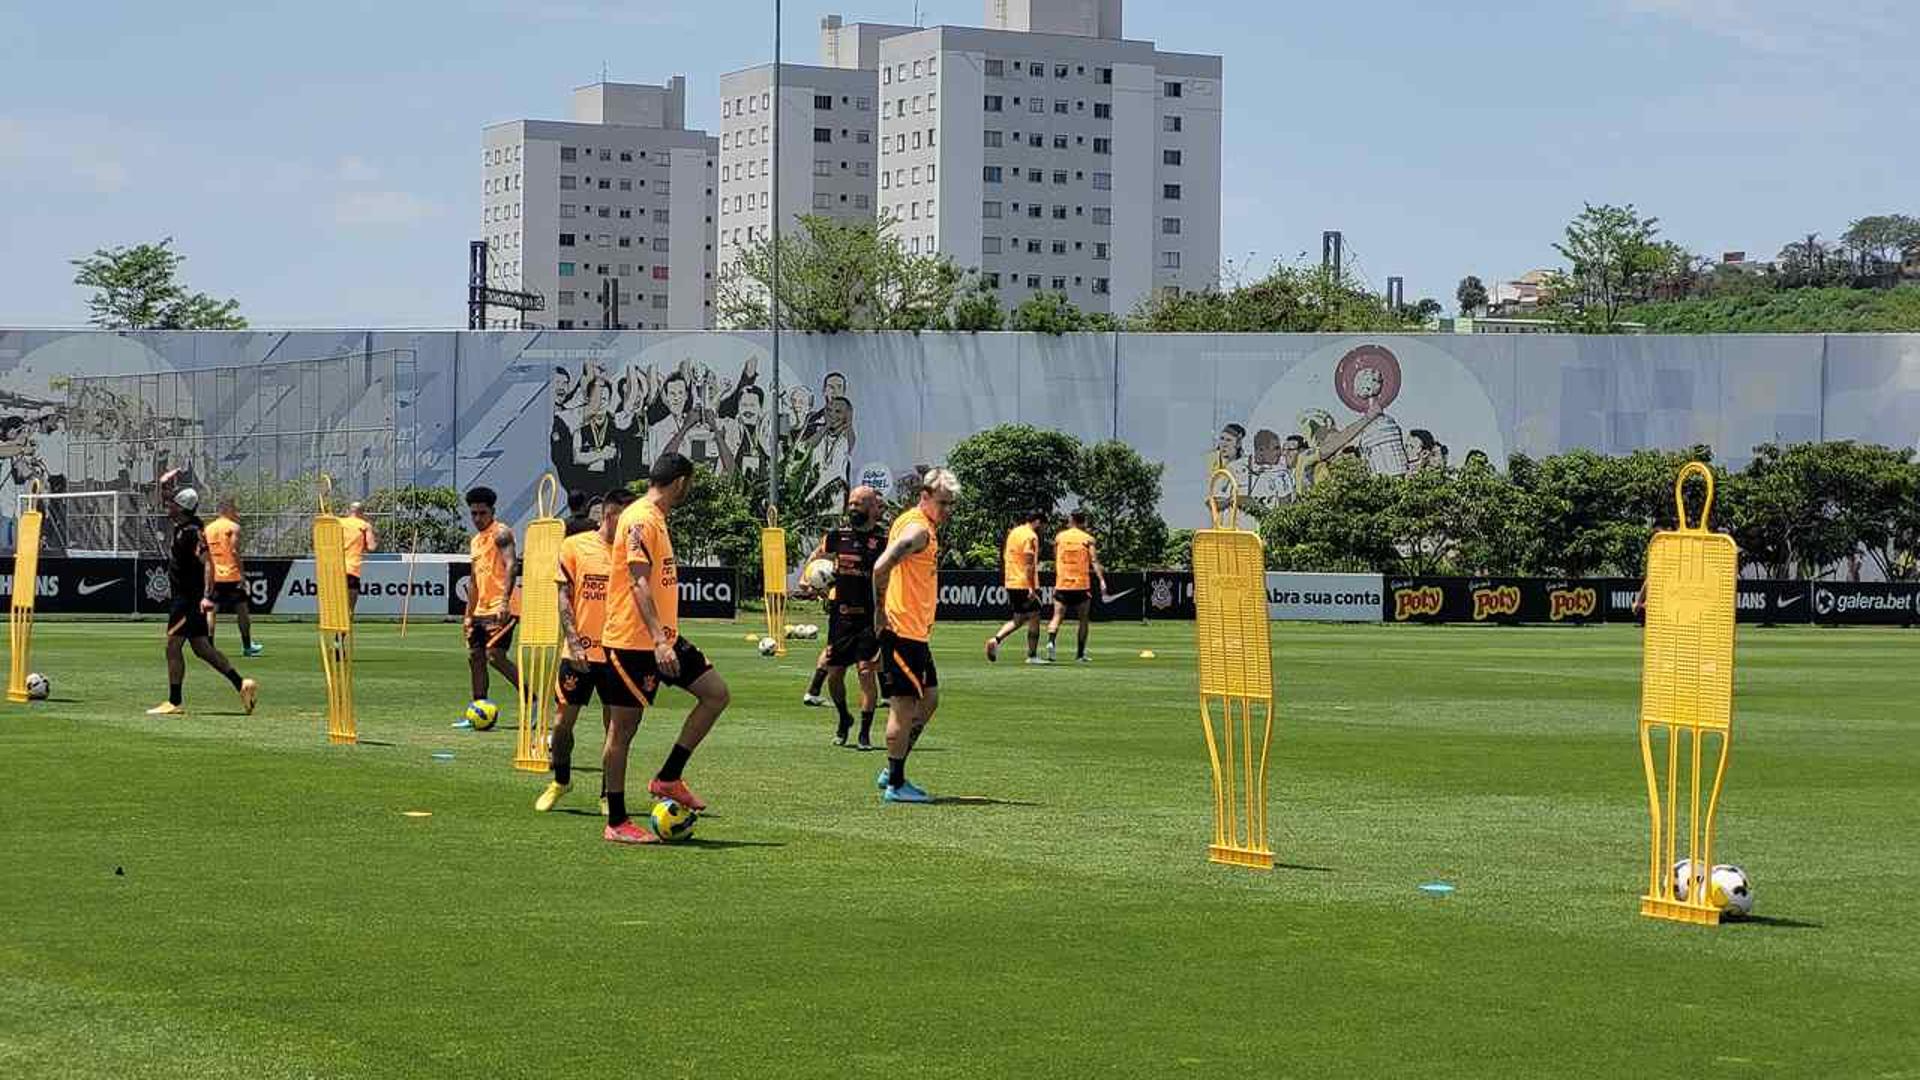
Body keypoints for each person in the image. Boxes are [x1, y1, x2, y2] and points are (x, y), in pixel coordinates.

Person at [598, 453, 731, 845]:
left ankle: (669, 776)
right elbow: (638, 582)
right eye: (690, 483)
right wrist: (658, 640)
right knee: (622, 731)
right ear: (680, 483)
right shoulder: (640, 518)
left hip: (663, 640)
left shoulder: (656, 518)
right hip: (632, 642)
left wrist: (665, 638)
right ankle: (617, 821)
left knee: (716, 694)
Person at [536, 486, 635, 813]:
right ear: (610, 515)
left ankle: (608, 794)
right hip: (577, 653)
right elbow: (564, 596)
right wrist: (575, 641)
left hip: (617, 653)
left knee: (615, 728)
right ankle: (561, 780)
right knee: (562, 725)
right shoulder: (575, 547)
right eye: (627, 518)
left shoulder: (631, 553)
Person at [869, 467, 958, 804]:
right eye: (943, 503)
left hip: (916, 633)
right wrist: (879, 611)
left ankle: (894, 768)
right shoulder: (919, 529)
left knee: (930, 699)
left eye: (951, 504)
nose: (947, 510)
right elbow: (881, 566)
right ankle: (895, 783)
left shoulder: (915, 522)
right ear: (925, 496)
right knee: (903, 707)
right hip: (902, 632)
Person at [147, 470, 258, 717]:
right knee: (202, 649)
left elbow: (208, 562)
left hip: (187, 600)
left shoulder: (189, 532)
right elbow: (162, 499)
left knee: (172, 647)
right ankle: (242, 684)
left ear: (182, 508)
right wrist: (164, 483)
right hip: (187, 598)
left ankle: (174, 701)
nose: (168, 506)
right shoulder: (185, 525)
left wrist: (207, 595)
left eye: (173, 504)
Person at [798, 486, 887, 748]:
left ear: (872, 508)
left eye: (858, 504)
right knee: (835, 675)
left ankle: (865, 733)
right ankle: (844, 718)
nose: (852, 509)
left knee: (866, 671)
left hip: (869, 619)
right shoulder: (838, 536)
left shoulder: (883, 541)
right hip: (840, 617)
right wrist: (807, 579)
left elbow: (893, 576)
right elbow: (817, 557)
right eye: (850, 504)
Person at [463, 486, 520, 704]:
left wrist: (505, 601)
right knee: (475, 657)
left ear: (492, 511)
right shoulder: (475, 541)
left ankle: (532, 700)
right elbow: (474, 580)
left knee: (495, 656)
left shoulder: (501, 532)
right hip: (480, 610)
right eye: (473, 513)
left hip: (501, 607)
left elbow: (512, 565)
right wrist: (468, 615)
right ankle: (479, 709)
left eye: (482, 513)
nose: (477, 518)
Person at [203, 495, 262, 657]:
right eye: (234, 509)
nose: (236, 512)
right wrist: (242, 574)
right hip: (231, 574)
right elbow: (234, 551)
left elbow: (205, 556)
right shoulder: (233, 527)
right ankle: (247, 646)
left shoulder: (208, 529)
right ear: (227, 509)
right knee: (242, 610)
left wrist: (207, 578)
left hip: (215, 575)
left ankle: (209, 648)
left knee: (211, 612)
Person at [1045, 510, 1107, 664]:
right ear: (1083, 522)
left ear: (1072, 520)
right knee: (1083, 620)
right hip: (1081, 584)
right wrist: (1101, 580)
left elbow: (1055, 556)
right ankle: (1080, 654)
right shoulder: (1088, 539)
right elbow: (1094, 560)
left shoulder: (1060, 537)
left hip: (1062, 583)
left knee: (1057, 617)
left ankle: (1051, 642)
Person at [986, 509, 1046, 664]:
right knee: (1035, 615)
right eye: (1044, 526)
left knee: (1018, 619)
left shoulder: (1014, 532)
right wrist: (1032, 588)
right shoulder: (1031, 536)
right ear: (1038, 522)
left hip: (1011, 581)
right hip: (1023, 583)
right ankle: (1032, 656)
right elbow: (1029, 564)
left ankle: (995, 640)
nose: (1044, 530)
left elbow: (1005, 556)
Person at [338, 501, 377, 613]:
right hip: (352, 568)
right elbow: (371, 547)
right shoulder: (364, 525)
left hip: (336, 568)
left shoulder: (339, 523)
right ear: (362, 512)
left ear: (349, 511)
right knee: (350, 608)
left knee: (337, 605)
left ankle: (339, 628)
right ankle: (346, 628)